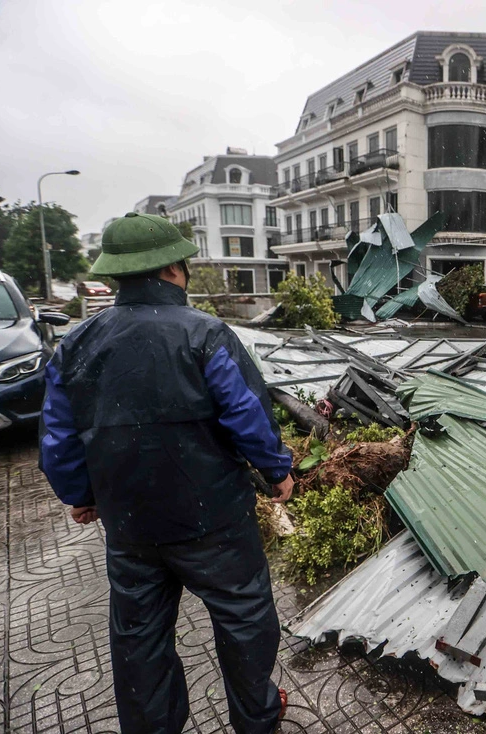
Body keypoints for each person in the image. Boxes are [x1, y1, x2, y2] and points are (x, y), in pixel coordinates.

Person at [39, 212, 295, 734]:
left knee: (139, 639)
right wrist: (277, 472)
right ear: (175, 270)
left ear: (115, 277)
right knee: (245, 623)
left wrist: (81, 493)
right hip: (216, 523)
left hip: (130, 528)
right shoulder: (206, 334)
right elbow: (248, 416)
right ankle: (257, 719)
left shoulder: (75, 344)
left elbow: (58, 438)